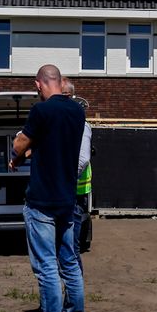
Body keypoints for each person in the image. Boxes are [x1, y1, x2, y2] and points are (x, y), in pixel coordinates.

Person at [11, 65, 85, 312]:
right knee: (70, 263)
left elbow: (19, 145)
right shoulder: (77, 111)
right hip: (66, 198)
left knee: (46, 267)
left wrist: (19, 150)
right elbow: (54, 145)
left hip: (42, 200)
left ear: (39, 84)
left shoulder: (40, 111)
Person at [64, 81, 94, 255]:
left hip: (74, 193)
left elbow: (82, 160)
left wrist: (64, 181)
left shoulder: (80, 125)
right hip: (68, 192)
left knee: (70, 249)